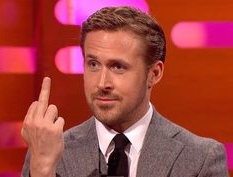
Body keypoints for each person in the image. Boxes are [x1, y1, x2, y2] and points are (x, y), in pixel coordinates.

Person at [21, 6, 229, 177]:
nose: (102, 83)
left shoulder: (200, 159)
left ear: (154, 73)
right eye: (93, 64)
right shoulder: (49, 153)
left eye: (118, 67)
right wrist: (43, 170)